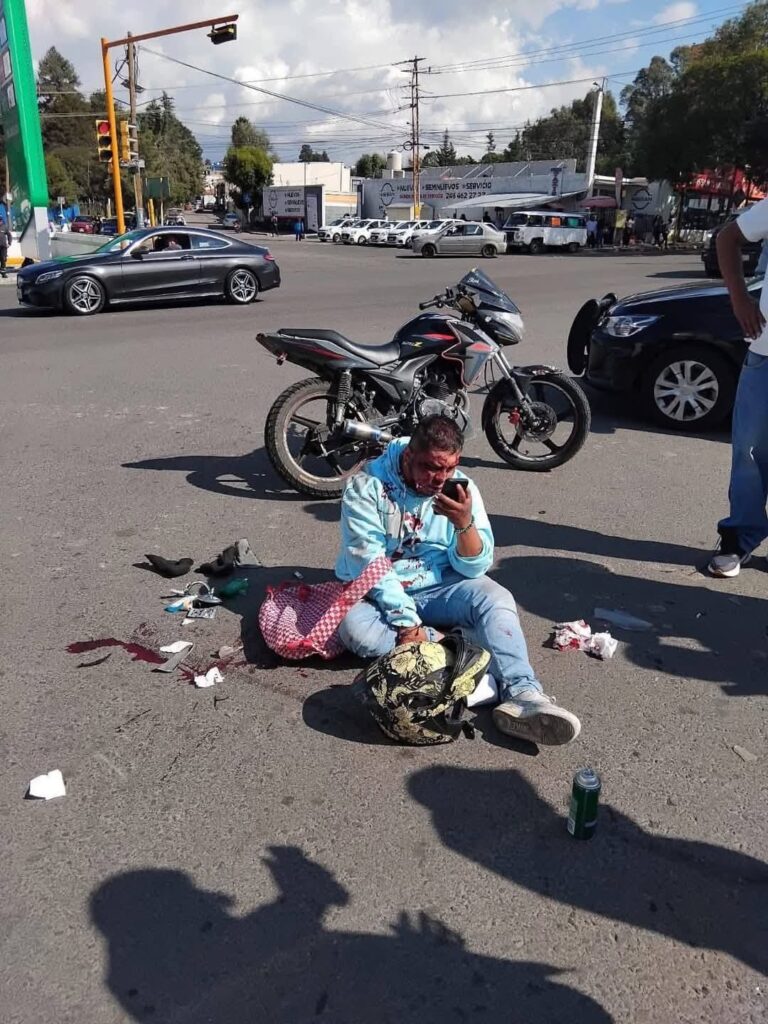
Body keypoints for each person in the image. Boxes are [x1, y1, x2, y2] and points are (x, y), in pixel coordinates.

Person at [335, 415, 582, 746]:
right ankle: (471, 659)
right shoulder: (367, 486)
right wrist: (408, 625)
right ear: (409, 455)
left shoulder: (462, 487)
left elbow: (475, 567)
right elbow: (370, 564)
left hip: (439, 584)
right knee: (356, 631)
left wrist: (464, 523)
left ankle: (524, 694)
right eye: (431, 468)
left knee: (496, 598)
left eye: (449, 468)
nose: (440, 479)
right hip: (379, 591)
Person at [709, 196, 768, 577]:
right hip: (767, 354)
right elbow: (727, 238)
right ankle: (740, 538)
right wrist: (740, 299)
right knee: (749, 452)